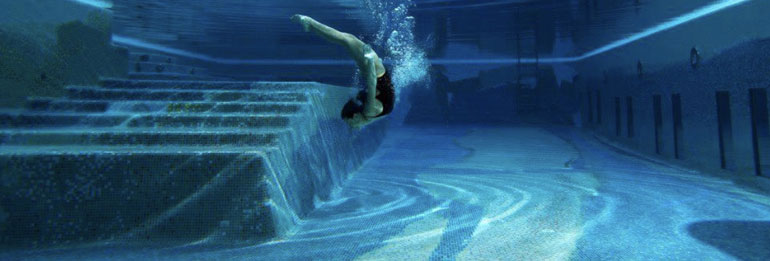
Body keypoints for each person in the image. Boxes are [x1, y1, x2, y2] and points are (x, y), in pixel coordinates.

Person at [291, 14, 395, 128]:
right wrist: (370, 60)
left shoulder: (367, 115)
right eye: (350, 123)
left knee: (347, 39)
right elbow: (371, 83)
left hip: (378, 74)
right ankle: (309, 22)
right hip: (375, 72)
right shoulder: (369, 111)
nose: (351, 127)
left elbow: (374, 94)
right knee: (346, 39)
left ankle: (311, 24)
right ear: (355, 116)